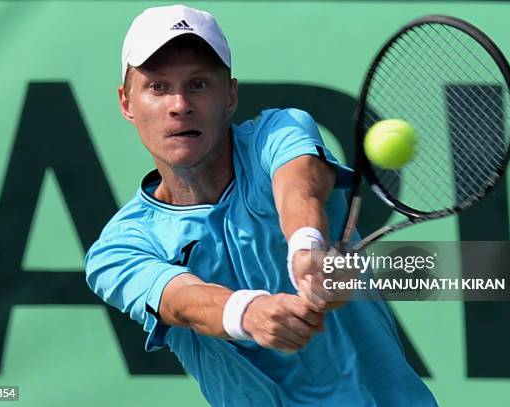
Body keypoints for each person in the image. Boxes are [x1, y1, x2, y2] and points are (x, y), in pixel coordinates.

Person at [85, 4, 438, 406]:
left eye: (199, 84)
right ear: (127, 103)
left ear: (230, 95)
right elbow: (182, 302)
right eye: (158, 87)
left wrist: (307, 248)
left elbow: (300, 184)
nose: (180, 104)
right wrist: (248, 311)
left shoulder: (279, 132)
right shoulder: (118, 249)